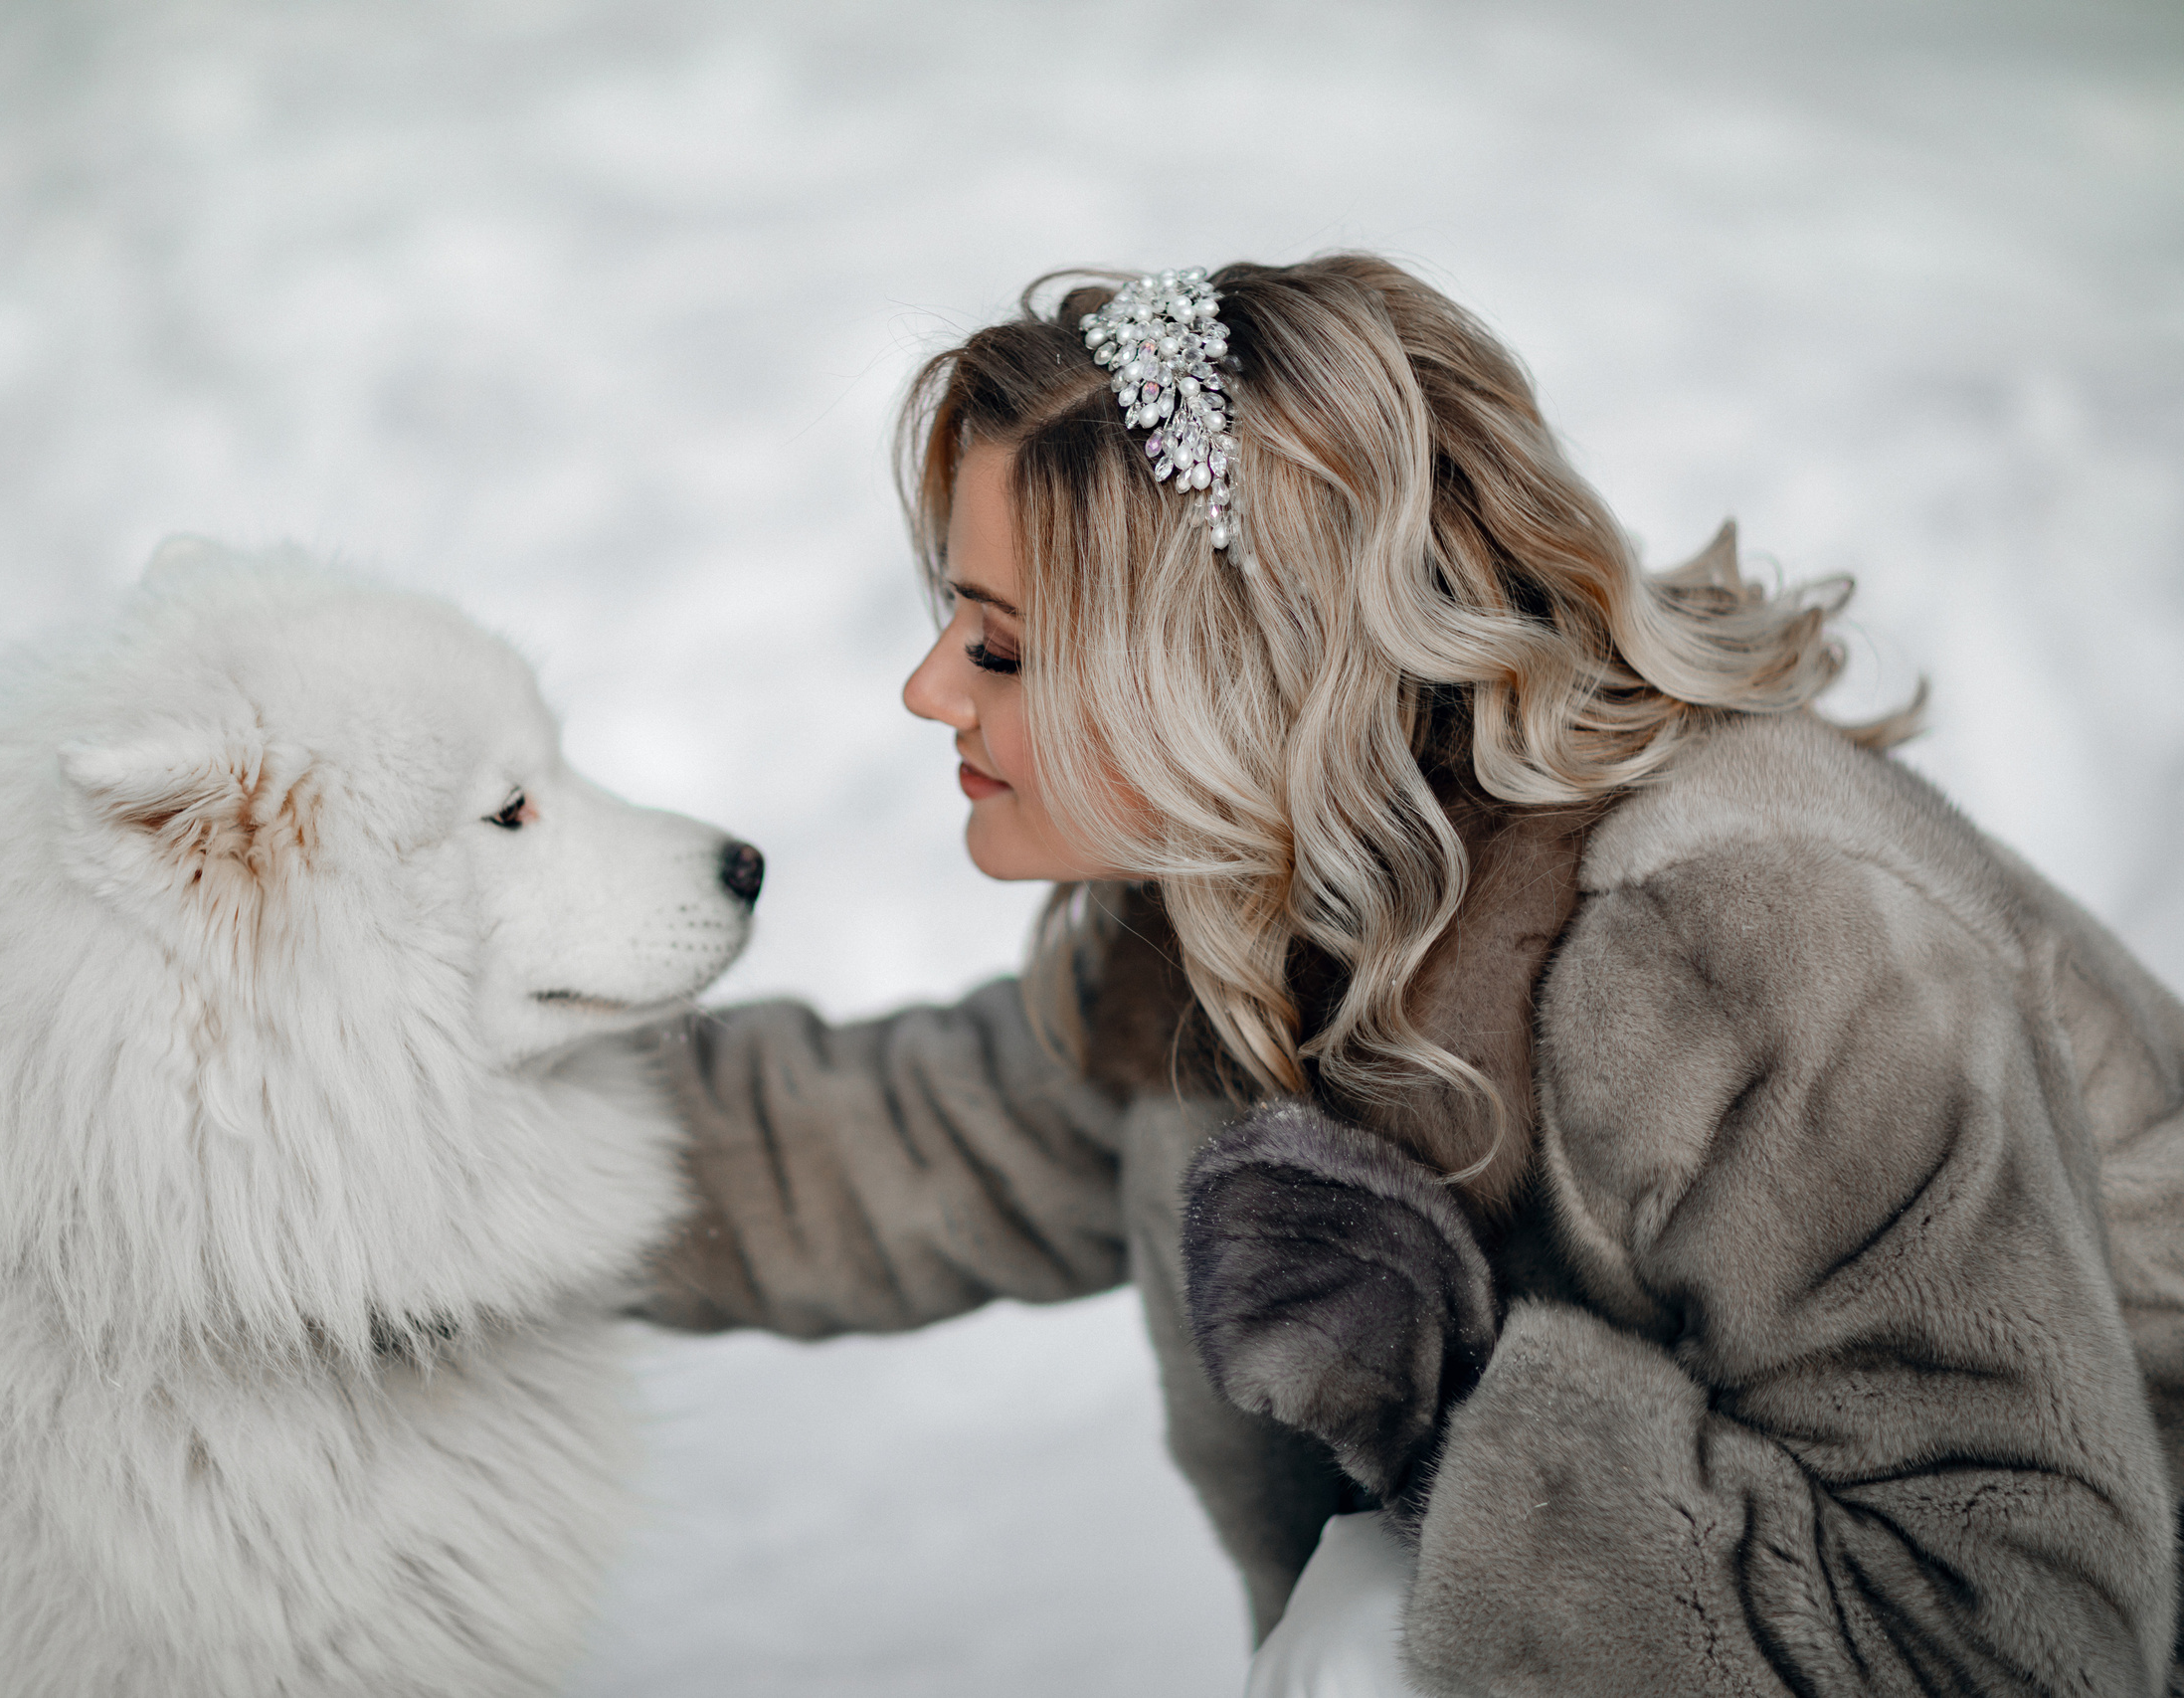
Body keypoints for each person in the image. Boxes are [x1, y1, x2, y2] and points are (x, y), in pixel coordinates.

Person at [628, 254, 2184, 1695]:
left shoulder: (1754, 947)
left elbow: (2009, 1643)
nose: (924, 689)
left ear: (1235, 671)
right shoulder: (1255, 910)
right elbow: (906, 1148)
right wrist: (428, 1117)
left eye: (1005, 646)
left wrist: (1439, 1400)